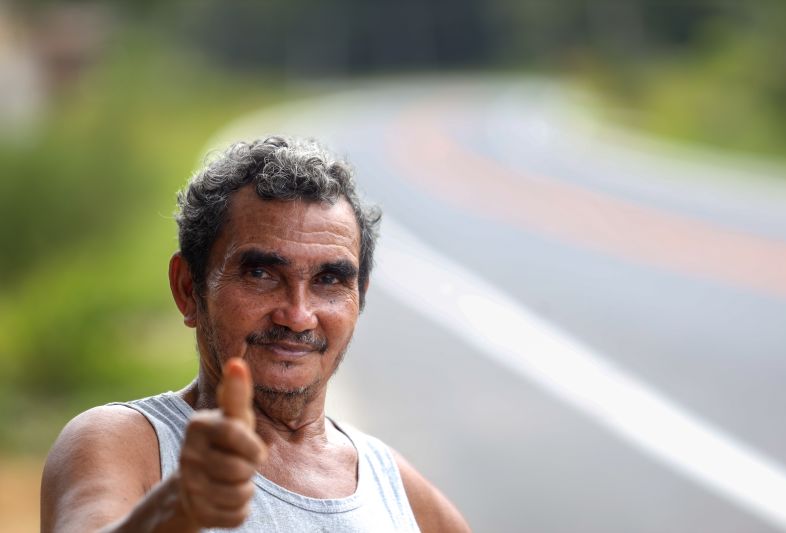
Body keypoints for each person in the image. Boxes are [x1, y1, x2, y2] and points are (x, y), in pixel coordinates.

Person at [40, 136, 471, 532]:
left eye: (329, 280)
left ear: (360, 298)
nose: (298, 315)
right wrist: (174, 511)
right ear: (188, 289)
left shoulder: (403, 497)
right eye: (262, 273)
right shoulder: (125, 444)